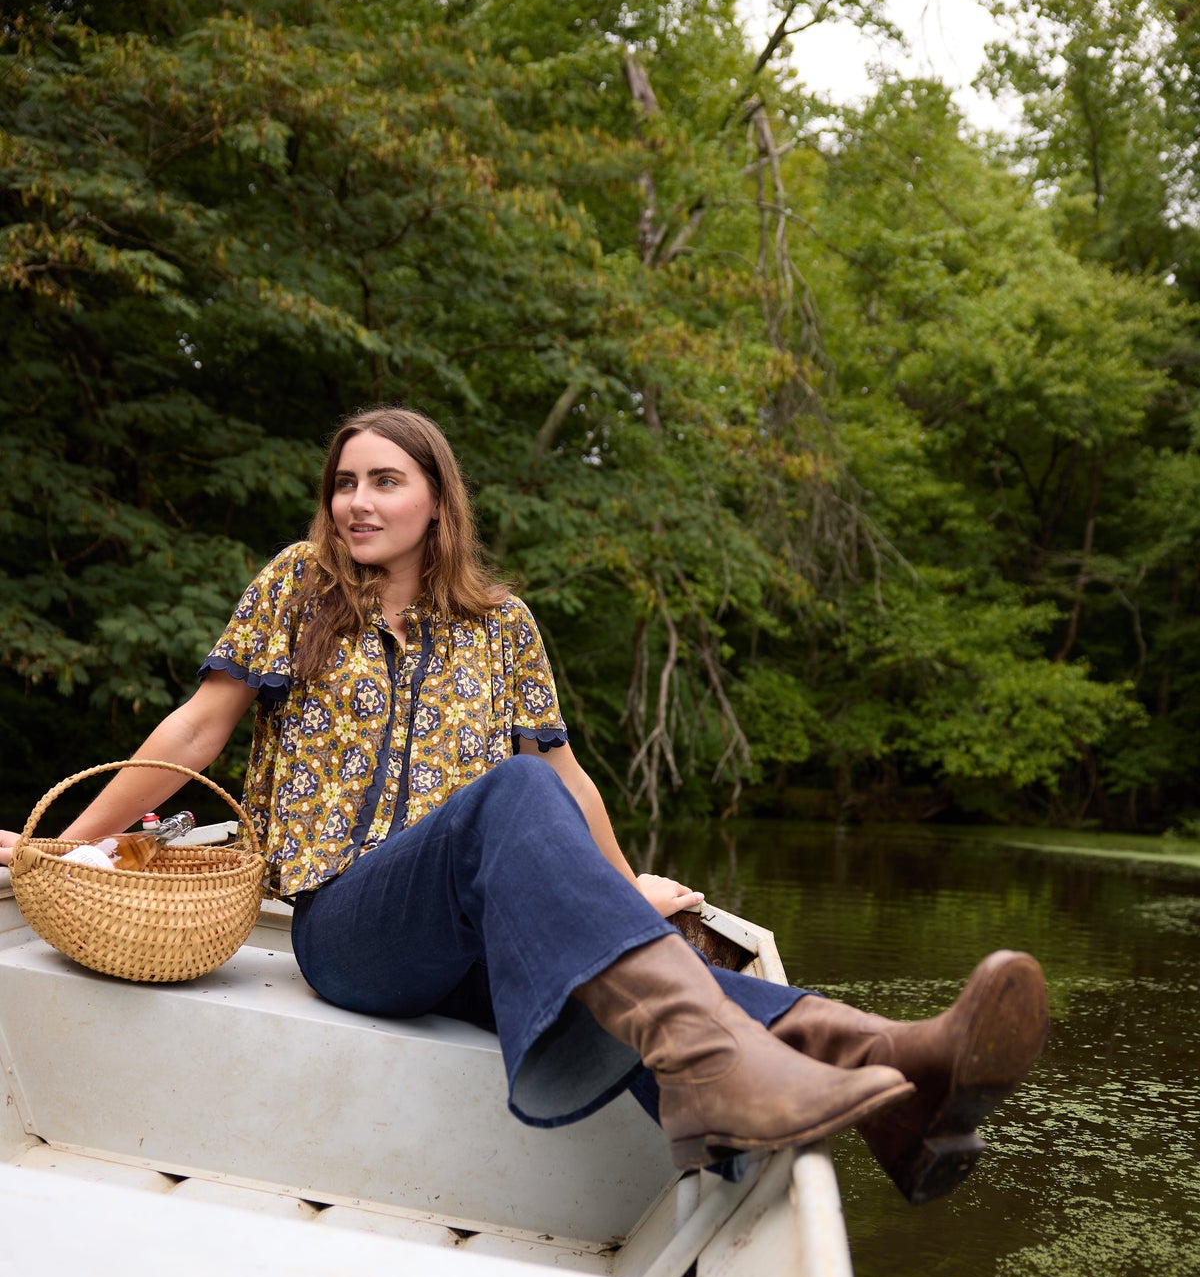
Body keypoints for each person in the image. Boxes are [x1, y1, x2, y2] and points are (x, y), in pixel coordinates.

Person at [0, 405, 1048, 1203]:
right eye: (344, 483)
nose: (357, 502)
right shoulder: (297, 587)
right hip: (351, 929)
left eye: (385, 481)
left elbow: (569, 777)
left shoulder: (502, 626)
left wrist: (624, 889)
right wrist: (54, 845)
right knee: (512, 796)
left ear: (437, 501)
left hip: (474, 927)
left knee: (592, 930)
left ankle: (897, 1077)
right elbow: (197, 729)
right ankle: (720, 1072)